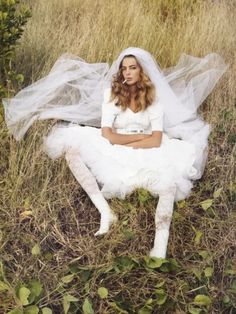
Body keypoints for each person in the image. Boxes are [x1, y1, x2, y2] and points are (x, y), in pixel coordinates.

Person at [3, 47, 227, 258]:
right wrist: (138, 138)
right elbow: (108, 134)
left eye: (133, 68)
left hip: (148, 147)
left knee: (168, 184)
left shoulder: (152, 96)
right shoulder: (111, 93)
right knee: (72, 150)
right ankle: (105, 212)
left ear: (142, 71)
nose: (127, 72)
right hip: (118, 143)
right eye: (124, 68)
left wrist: (137, 142)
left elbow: (157, 139)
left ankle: (160, 247)